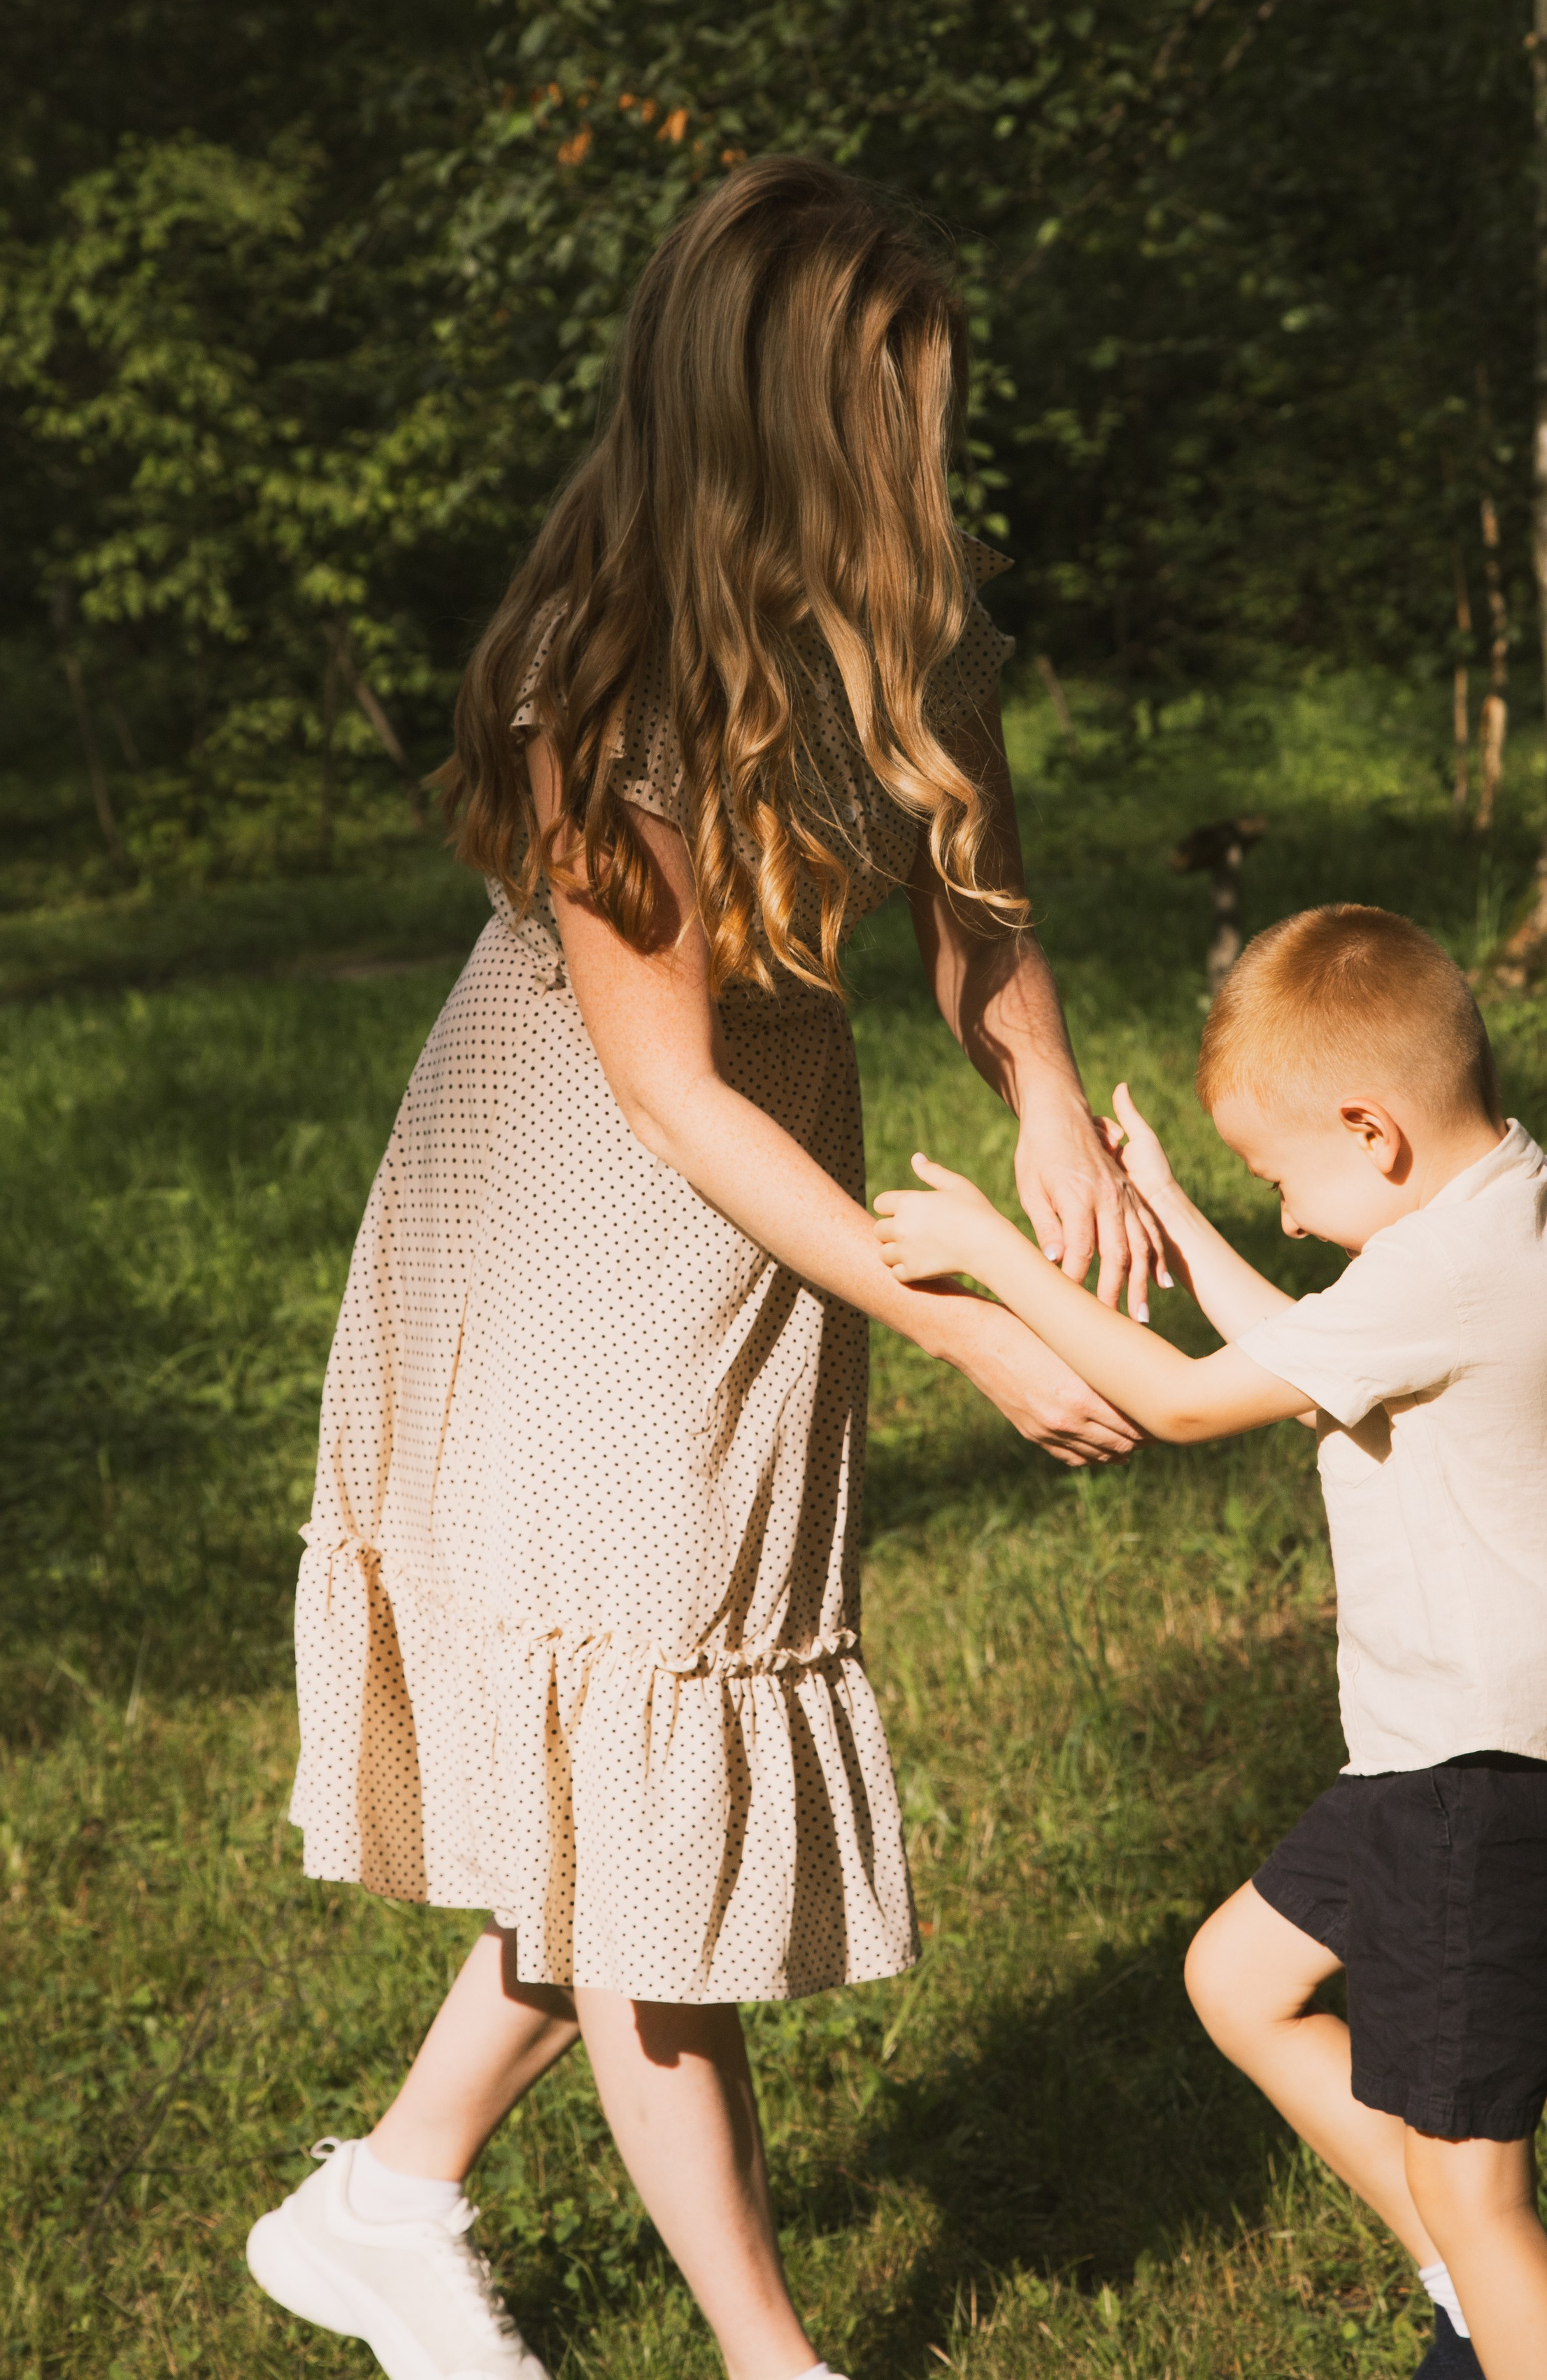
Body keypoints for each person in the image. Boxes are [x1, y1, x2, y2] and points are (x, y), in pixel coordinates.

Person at [245, 157, 1164, 2380]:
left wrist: (1041, 1098)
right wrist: (951, 1323)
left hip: (772, 1190)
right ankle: (773, 2358)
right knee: (654, 1771)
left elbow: (985, 911)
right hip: (582, 1211)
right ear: (780, 414)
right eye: (901, 404)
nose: (933, 449)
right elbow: (666, 1088)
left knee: (647, 1771)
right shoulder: (608, 674)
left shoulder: (912, 609)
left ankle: (382, 2201)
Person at [873, 902, 1547, 2380]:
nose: (1282, 1216)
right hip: (1463, 1757)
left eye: (1279, 1181)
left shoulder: (1451, 1275)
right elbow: (1298, 1354)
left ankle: (1523, 2333)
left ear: (1367, 1131)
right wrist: (1174, 1213)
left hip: (1480, 1777)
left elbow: (1180, 1402)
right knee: (1238, 1978)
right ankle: (1489, 2315)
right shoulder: (1504, 1204)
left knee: (1473, 2184)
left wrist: (986, 1253)